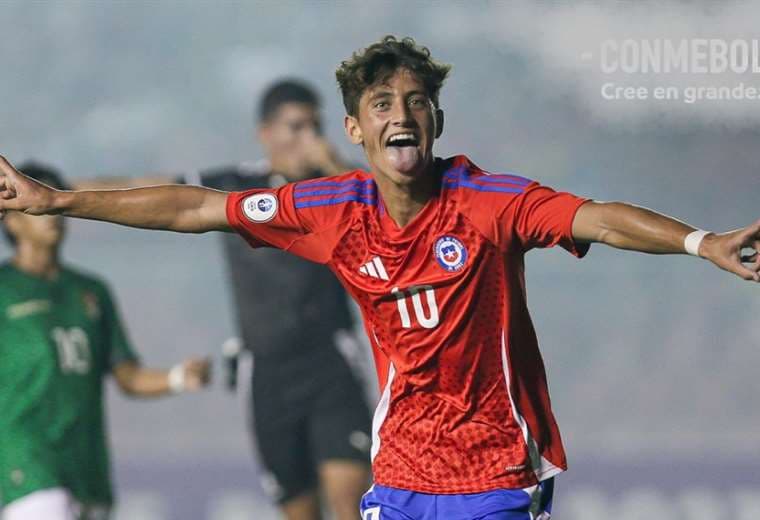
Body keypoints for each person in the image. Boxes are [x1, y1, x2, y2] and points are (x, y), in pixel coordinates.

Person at [1, 36, 758, 520]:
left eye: (417, 103)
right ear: (358, 130)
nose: (404, 115)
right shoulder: (331, 210)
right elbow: (197, 207)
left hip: (496, 477)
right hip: (398, 481)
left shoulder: (488, 204)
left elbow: (598, 218)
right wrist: (62, 198)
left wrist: (700, 241)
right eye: (383, 104)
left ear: (435, 121)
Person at [76, 79, 375, 520]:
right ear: (266, 132)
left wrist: (328, 159)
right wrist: (52, 195)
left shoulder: (331, 187)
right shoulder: (238, 185)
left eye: (316, 126)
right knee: (299, 509)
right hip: (268, 370)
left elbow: (375, 208)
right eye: (296, 126)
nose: (308, 138)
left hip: (329, 360)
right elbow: (150, 189)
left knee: (350, 500)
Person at [0, 163, 211, 520]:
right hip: (26, 461)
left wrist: (178, 378)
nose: (51, 217)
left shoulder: (90, 292)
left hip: (87, 463)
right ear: (12, 219)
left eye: (53, 202)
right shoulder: (4, 289)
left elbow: (127, 377)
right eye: (35, 205)